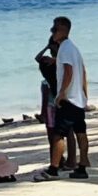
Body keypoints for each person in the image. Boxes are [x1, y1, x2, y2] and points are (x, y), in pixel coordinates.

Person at [41, 16, 89, 178]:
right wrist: (84, 94)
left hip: (68, 99)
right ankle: (82, 167)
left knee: (58, 134)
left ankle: (53, 169)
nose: (52, 32)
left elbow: (68, 71)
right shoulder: (73, 48)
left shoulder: (65, 48)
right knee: (80, 132)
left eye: (54, 29)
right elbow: (82, 71)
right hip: (78, 99)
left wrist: (61, 93)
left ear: (63, 30)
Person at [34, 30, 63, 174]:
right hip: (58, 103)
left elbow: (37, 58)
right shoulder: (56, 63)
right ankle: (59, 159)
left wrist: (48, 48)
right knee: (57, 134)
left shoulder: (53, 66)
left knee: (53, 135)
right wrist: (49, 47)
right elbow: (38, 58)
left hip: (53, 106)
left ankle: (56, 160)